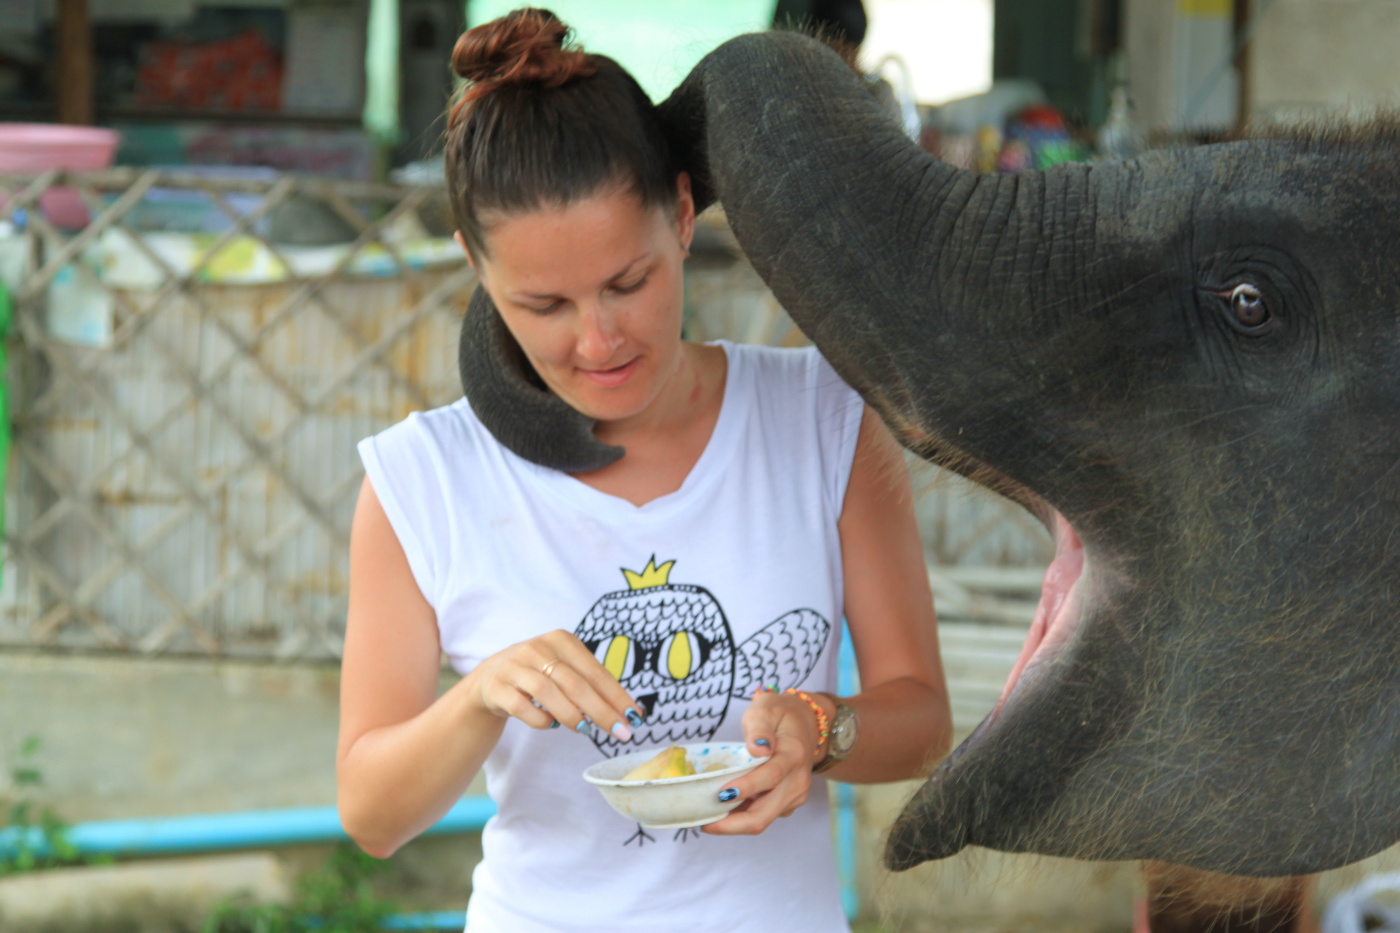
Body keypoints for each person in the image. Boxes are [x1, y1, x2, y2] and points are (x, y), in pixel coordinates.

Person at [336, 9, 952, 932]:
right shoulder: (420, 481)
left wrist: (820, 731)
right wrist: (479, 697)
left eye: (628, 283)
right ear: (474, 265)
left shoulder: (820, 417)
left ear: (679, 212)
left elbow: (922, 718)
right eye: (542, 304)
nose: (599, 339)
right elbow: (372, 815)